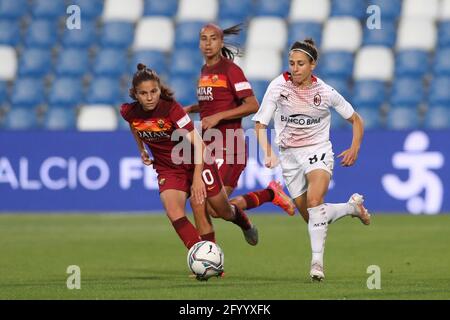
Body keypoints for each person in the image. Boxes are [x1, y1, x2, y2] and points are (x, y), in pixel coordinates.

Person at [252, 39, 371, 281]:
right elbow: (259, 123)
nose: (295, 68)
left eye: (300, 64)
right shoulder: (278, 86)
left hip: (318, 150)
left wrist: (354, 148)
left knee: (315, 200)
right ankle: (352, 208)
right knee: (312, 216)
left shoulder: (325, 92)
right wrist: (267, 151)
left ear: (312, 65)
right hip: (289, 156)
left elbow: (356, 119)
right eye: (292, 63)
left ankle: (317, 264)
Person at [120, 64, 258, 253]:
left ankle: (244, 222)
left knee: (220, 211)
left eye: (154, 91)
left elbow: (200, 145)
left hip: (197, 162)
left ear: (160, 89)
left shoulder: (172, 109)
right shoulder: (129, 111)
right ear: (135, 94)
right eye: (143, 93)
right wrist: (141, 149)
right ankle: (204, 257)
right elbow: (134, 124)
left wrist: (196, 179)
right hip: (168, 168)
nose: (150, 97)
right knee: (174, 211)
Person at [184, 23, 295, 242]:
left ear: (221, 42)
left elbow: (253, 104)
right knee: (205, 205)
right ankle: (211, 258)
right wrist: (191, 108)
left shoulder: (230, 70)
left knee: (213, 207)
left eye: (213, 39)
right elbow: (214, 104)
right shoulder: (204, 71)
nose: (208, 44)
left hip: (230, 146)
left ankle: (267, 197)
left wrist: (218, 117)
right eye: (204, 39)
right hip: (208, 147)